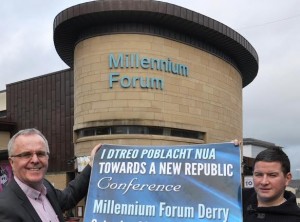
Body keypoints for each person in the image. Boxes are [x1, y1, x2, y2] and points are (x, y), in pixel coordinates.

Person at [0, 128, 101, 222]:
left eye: (40, 154)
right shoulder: (4, 208)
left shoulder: (46, 187)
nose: (35, 160)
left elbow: (70, 196)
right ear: (12, 162)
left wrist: (91, 165)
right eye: (26, 155)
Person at [243, 147, 300, 221]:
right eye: (259, 174)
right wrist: (228, 150)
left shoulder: (295, 218)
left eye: (272, 175)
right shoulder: (237, 199)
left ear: (287, 178)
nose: (264, 182)